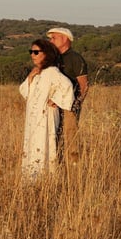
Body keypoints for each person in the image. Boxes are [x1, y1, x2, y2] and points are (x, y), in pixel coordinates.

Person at [19, 38, 74, 180]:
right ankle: (31, 179)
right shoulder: (37, 72)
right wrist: (30, 78)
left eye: (36, 52)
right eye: (31, 52)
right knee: (32, 145)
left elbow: (67, 86)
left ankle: (46, 180)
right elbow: (24, 91)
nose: (33, 55)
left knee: (45, 144)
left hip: (47, 115)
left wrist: (55, 100)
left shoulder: (52, 71)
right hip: (33, 117)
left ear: (46, 53)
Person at [47, 27, 89, 165]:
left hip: (68, 107)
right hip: (51, 107)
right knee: (54, 139)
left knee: (70, 139)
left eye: (54, 38)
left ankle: (73, 169)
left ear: (65, 39)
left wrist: (74, 106)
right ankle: (56, 168)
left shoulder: (75, 58)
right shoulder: (52, 58)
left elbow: (84, 86)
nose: (50, 41)